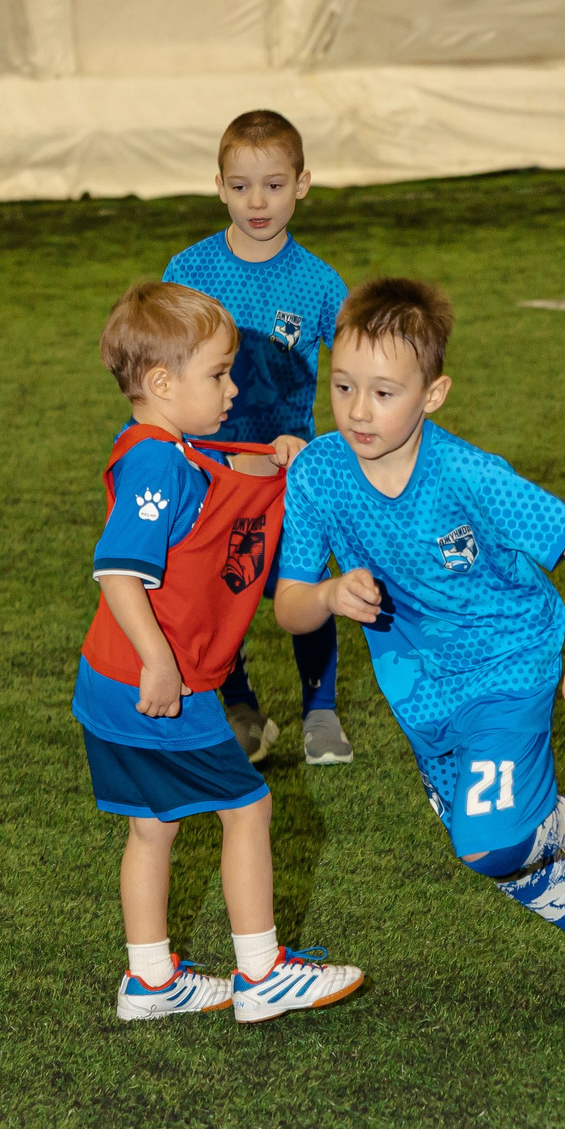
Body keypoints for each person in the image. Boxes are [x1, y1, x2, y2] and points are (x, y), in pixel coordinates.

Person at [272, 277, 565, 1019]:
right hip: (421, 692)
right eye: (344, 386)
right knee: (495, 852)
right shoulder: (318, 472)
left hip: (507, 664)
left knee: (488, 842)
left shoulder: (467, 474)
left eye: (384, 393)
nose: (358, 410)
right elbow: (289, 605)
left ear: (433, 394)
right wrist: (326, 596)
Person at [76, 280, 362, 1024]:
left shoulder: (162, 447)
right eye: (219, 375)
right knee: (248, 806)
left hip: (107, 681)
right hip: (157, 684)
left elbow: (222, 474)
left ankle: (150, 981)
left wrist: (280, 457)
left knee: (153, 825)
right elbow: (118, 572)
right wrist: (159, 661)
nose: (234, 389)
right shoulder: (157, 464)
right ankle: (262, 973)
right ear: (162, 383)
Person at [163, 110, 354, 767]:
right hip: (208, 470)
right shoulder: (189, 270)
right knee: (217, 589)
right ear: (219, 186)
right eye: (241, 187)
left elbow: (356, 363)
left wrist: (334, 446)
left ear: (302, 184)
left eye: (274, 185)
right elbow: (165, 363)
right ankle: (240, 708)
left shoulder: (320, 282)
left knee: (302, 582)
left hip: (286, 470)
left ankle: (320, 712)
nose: (258, 202)